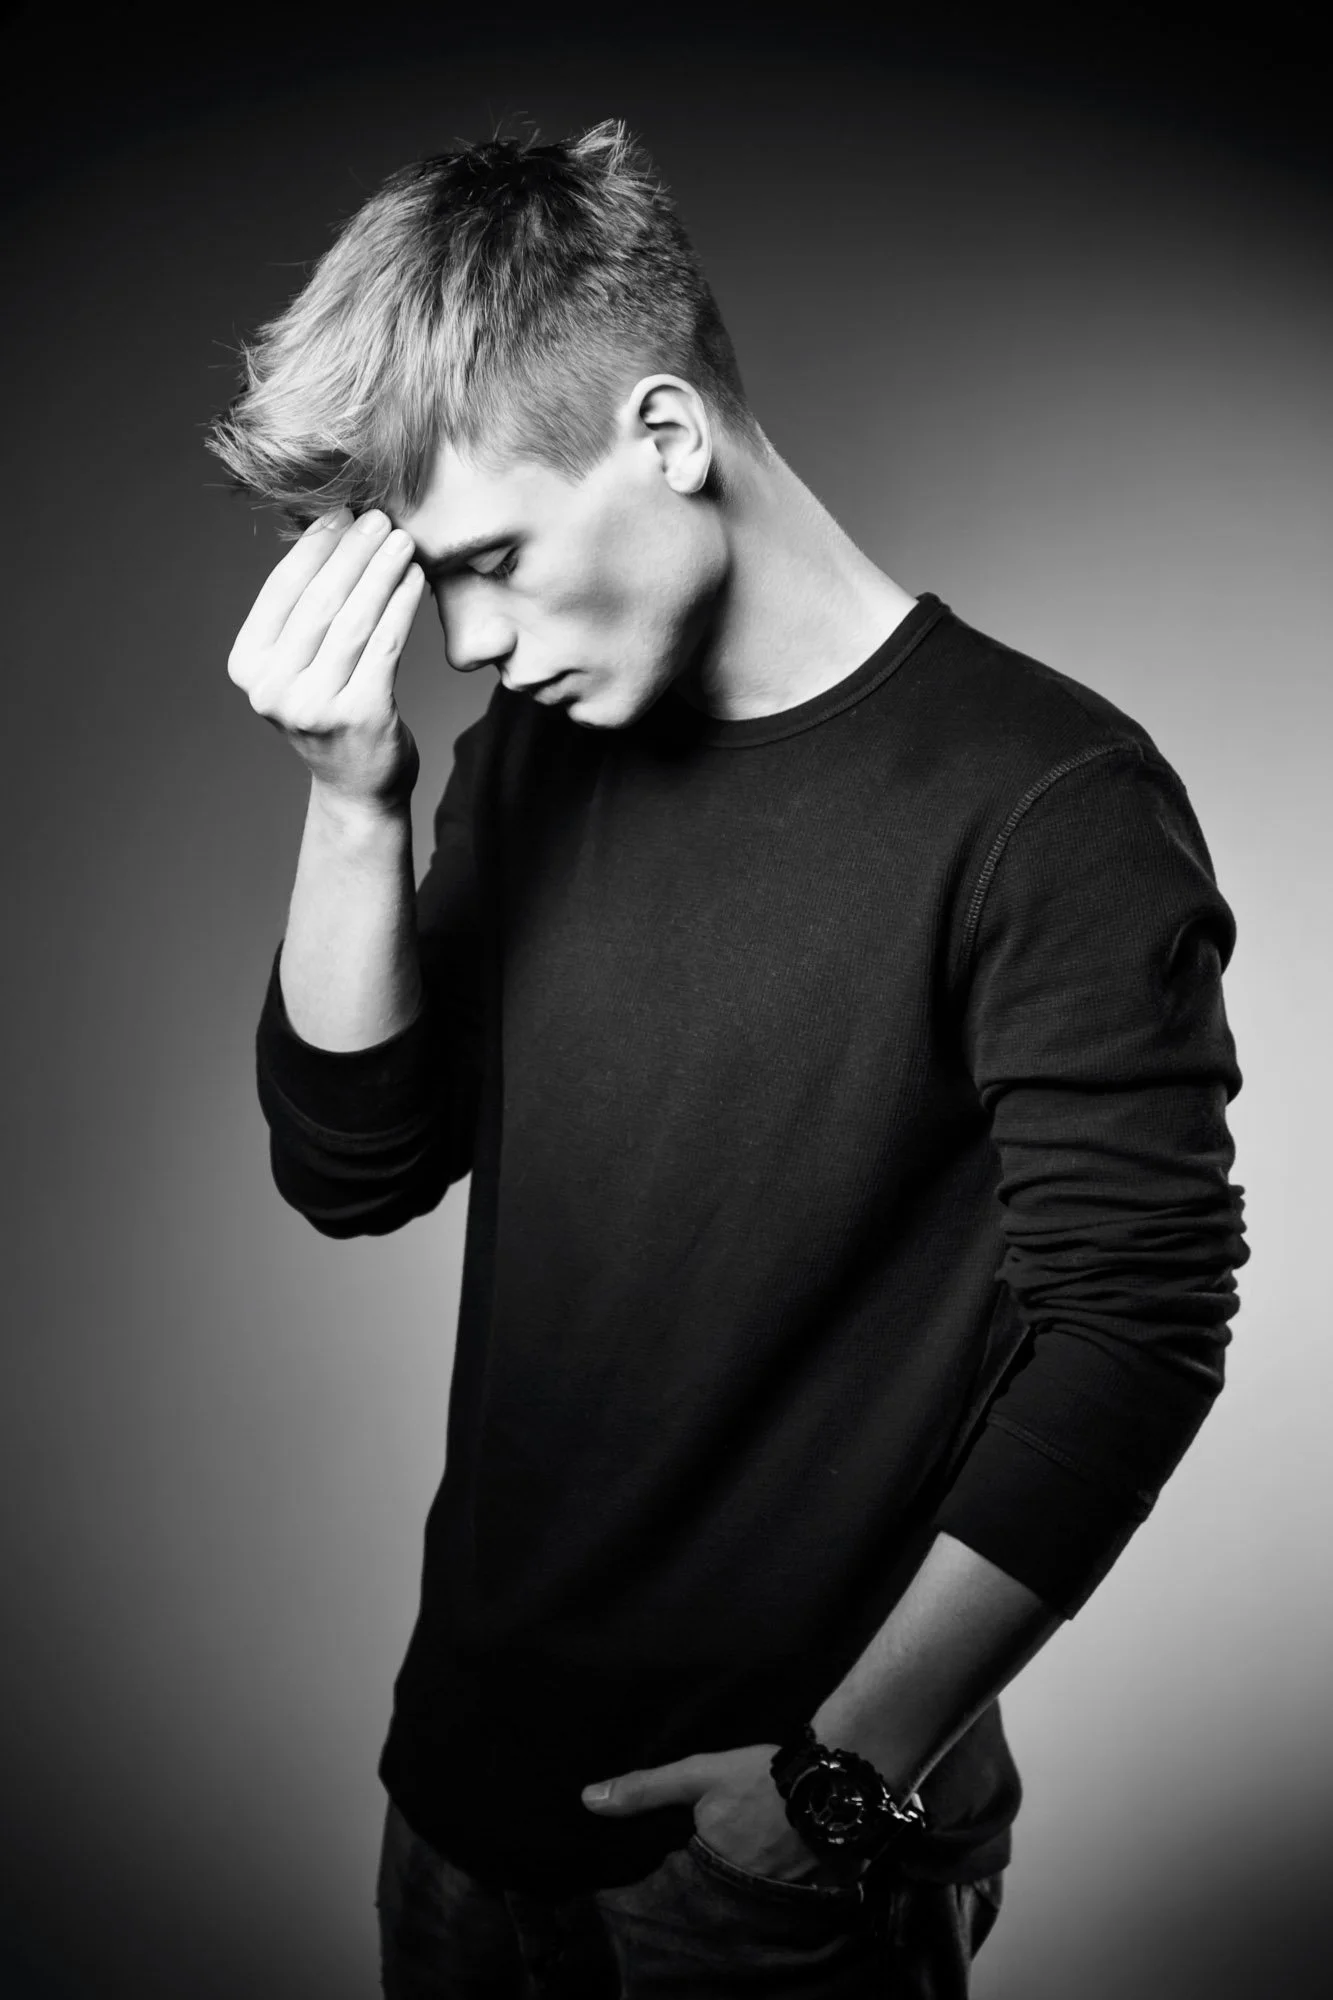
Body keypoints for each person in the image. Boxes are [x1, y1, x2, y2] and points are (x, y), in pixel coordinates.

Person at [205, 119, 1249, 1998]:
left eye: (495, 559)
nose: (467, 641)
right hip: (458, 1799)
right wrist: (353, 801)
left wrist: (843, 1781)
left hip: (774, 1861)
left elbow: (1138, 1330)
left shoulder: (1052, 805)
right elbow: (353, 1171)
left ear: (667, 439)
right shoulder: (532, 753)